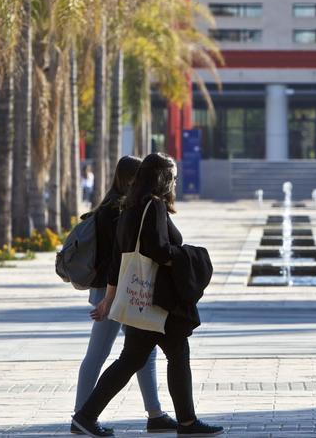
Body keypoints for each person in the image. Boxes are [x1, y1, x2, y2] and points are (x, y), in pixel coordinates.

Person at [72, 153, 222, 437]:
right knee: (157, 357)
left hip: (142, 298)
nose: (176, 183)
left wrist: (109, 299)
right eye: (174, 177)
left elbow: (119, 260)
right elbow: (157, 250)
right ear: (163, 179)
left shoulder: (130, 207)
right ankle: (87, 416)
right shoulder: (153, 207)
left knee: (151, 356)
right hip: (157, 298)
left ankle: (88, 416)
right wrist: (190, 254)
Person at [71, 156, 176, 436]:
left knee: (139, 351)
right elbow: (117, 258)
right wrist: (109, 297)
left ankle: (154, 412)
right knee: (105, 353)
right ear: (132, 178)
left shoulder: (111, 207)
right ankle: (82, 415)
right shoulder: (120, 210)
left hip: (115, 289)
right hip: (117, 290)